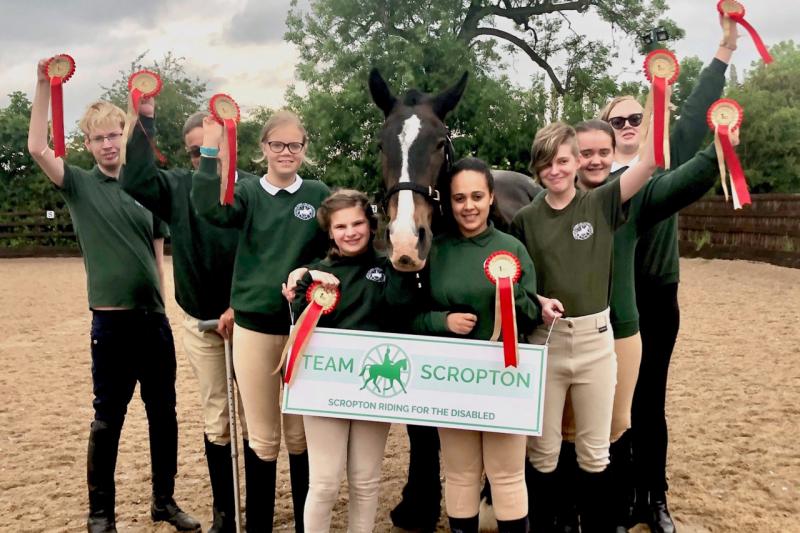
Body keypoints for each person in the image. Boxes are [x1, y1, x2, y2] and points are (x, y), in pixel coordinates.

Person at [26, 60, 199, 532]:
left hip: (152, 322)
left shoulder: (147, 188)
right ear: (88, 144)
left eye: (114, 136)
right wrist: (44, 84)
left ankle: (164, 501)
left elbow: (157, 250)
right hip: (111, 323)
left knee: (164, 416)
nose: (107, 144)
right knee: (108, 420)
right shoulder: (79, 185)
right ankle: (100, 512)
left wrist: (162, 310)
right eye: (98, 138)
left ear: (125, 137)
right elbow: (37, 145)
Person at [599, 17, 736, 532]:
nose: (630, 126)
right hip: (605, 301)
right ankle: (615, 495)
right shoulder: (595, 178)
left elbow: (701, 108)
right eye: (618, 121)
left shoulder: (665, 156)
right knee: (611, 404)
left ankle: (653, 498)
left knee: (649, 399)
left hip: (655, 296)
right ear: (604, 130)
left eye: (636, 117)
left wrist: (724, 47)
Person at [572, 119, 738, 531]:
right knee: (581, 425)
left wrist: (717, 147)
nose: (594, 159)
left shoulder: (631, 199)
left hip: (634, 317)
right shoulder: (552, 203)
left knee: (633, 414)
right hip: (577, 332)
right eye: (584, 152)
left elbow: (684, 178)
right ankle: (595, 505)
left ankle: (647, 498)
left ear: (613, 156)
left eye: (601, 152)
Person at [120, 99, 258, 532]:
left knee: (257, 419)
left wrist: (245, 304)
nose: (205, 158)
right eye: (197, 152)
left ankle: (257, 512)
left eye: (212, 148)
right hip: (201, 323)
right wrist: (143, 119)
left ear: (230, 144)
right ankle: (224, 514)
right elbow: (136, 177)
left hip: (251, 322)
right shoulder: (178, 186)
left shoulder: (254, 188)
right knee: (216, 416)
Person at [510, 121, 656, 532]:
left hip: (595, 343)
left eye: (561, 161)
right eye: (545, 164)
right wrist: (537, 302)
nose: (554, 170)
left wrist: (659, 103)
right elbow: (515, 280)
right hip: (548, 343)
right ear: (537, 169)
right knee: (543, 452)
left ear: (576, 161)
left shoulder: (602, 202)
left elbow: (648, 162)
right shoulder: (525, 219)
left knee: (595, 453)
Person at [192, 110, 330, 532]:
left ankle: (307, 524)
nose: (285, 153)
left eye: (294, 145)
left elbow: (335, 247)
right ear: (263, 149)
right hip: (253, 329)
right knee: (263, 438)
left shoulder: (319, 193)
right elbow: (209, 210)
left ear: (304, 149)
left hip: (302, 330)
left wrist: (312, 273)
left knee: (300, 436)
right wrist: (211, 151)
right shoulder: (249, 192)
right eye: (277, 145)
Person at [412, 157, 541, 533]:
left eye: (477, 197)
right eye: (459, 198)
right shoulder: (435, 251)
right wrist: (443, 321)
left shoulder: (512, 248)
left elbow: (533, 313)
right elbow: (412, 317)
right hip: (455, 381)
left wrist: (512, 294)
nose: (468, 206)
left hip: (504, 377)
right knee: (460, 474)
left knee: (507, 475)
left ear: (491, 198)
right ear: (449, 203)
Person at [280, 189, 419, 532]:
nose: (351, 232)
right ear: (329, 232)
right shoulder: (316, 277)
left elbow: (401, 310)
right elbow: (299, 323)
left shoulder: (389, 268)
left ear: (372, 227)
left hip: (373, 388)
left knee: (366, 481)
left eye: (358, 223)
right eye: (341, 226)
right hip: (325, 391)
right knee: (325, 483)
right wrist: (305, 279)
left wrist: (403, 268)